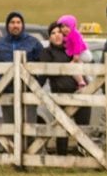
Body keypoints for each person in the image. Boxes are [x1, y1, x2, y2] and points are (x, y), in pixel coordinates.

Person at [0, 11, 43, 126]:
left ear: (22, 25)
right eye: (12, 22)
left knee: (29, 126)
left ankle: (28, 145)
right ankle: (11, 145)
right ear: (7, 25)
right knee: (10, 127)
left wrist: (37, 84)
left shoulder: (33, 43)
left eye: (18, 22)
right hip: (7, 92)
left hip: (28, 92)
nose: (15, 25)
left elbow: (43, 65)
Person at [38, 22, 90, 155]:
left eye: (59, 32)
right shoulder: (47, 53)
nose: (57, 35)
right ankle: (62, 156)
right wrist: (35, 88)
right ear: (49, 37)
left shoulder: (70, 49)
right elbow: (43, 74)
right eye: (53, 33)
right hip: (61, 95)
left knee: (83, 127)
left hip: (80, 94)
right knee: (62, 127)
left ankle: (83, 154)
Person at [56, 15, 91, 88]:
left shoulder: (74, 34)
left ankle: (81, 81)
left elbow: (78, 44)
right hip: (80, 54)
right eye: (62, 27)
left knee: (72, 67)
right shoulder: (67, 36)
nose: (64, 29)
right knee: (80, 68)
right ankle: (86, 80)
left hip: (83, 53)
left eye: (67, 26)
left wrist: (76, 56)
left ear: (72, 26)